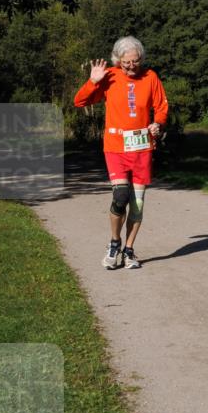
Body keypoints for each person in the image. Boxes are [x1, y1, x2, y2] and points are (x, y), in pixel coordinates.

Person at [74, 36, 168, 269]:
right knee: (120, 196)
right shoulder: (110, 76)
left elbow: (162, 106)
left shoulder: (151, 77)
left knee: (137, 203)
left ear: (141, 59)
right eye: (126, 62)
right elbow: (80, 101)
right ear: (118, 60)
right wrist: (93, 81)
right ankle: (114, 242)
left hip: (142, 147)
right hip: (115, 146)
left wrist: (158, 123)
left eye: (135, 61)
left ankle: (129, 250)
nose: (131, 66)